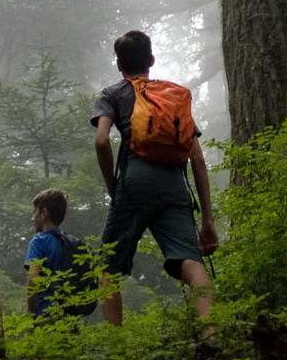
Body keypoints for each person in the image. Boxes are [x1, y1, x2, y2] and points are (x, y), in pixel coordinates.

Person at [90, 28, 218, 325]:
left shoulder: (113, 94)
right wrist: (207, 220)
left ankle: (117, 350)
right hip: (174, 183)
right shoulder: (173, 97)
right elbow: (197, 159)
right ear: (152, 59)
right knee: (190, 260)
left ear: (119, 65)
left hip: (134, 179)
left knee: (108, 268)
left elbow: (100, 141)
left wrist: (114, 187)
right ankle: (213, 333)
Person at [23, 186, 84, 321]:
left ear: (44, 213)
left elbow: (33, 279)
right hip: (70, 317)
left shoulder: (39, 241)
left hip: (46, 315)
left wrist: (31, 312)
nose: (33, 217)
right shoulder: (72, 242)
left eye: (35, 212)